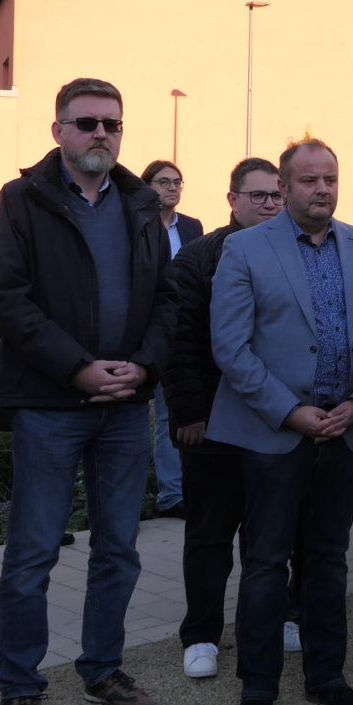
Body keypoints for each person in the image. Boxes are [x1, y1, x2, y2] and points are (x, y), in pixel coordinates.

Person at [0, 80, 178, 705]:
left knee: (119, 549)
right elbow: (8, 299)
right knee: (33, 553)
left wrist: (143, 366)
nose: (101, 133)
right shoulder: (22, 199)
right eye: (87, 122)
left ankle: (103, 669)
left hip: (126, 405)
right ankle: (20, 688)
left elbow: (167, 299)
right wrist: (77, 368)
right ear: (58, 130)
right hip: (50, 405)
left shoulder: (140, 202)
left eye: (112, 124)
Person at [208, 139, 353, 705]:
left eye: (330, 179)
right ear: (285, 186)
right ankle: (258, 687)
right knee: (265, 561)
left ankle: (327, 675)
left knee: (327, 558)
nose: (322, 189)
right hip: (273, 434)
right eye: (310, 180)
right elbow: (230, 347)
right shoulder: (245, 248)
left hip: (346, 432)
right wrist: (290, 411)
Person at [164, 157, 286, 679]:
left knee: (272, 535)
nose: (269, 204)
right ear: (232, 200)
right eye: (258, 195)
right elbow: (180, 339)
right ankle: (201, 635)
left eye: (276, 195)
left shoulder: (298, 251)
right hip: (212, 421)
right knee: (210, 536)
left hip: (279, 421)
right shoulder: (199, 256)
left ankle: (272, 621)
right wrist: (189, 411)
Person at [141, 159, 201, 519]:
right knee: (139, 419)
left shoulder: (192, 227)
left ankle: (175, 494)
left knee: (173, 414)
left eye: (177, 182)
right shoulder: (136, 224)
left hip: (182, 330)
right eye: (164, 182)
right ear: (147, 186)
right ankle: (151, 496)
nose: (172, 188)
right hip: (146, 331)